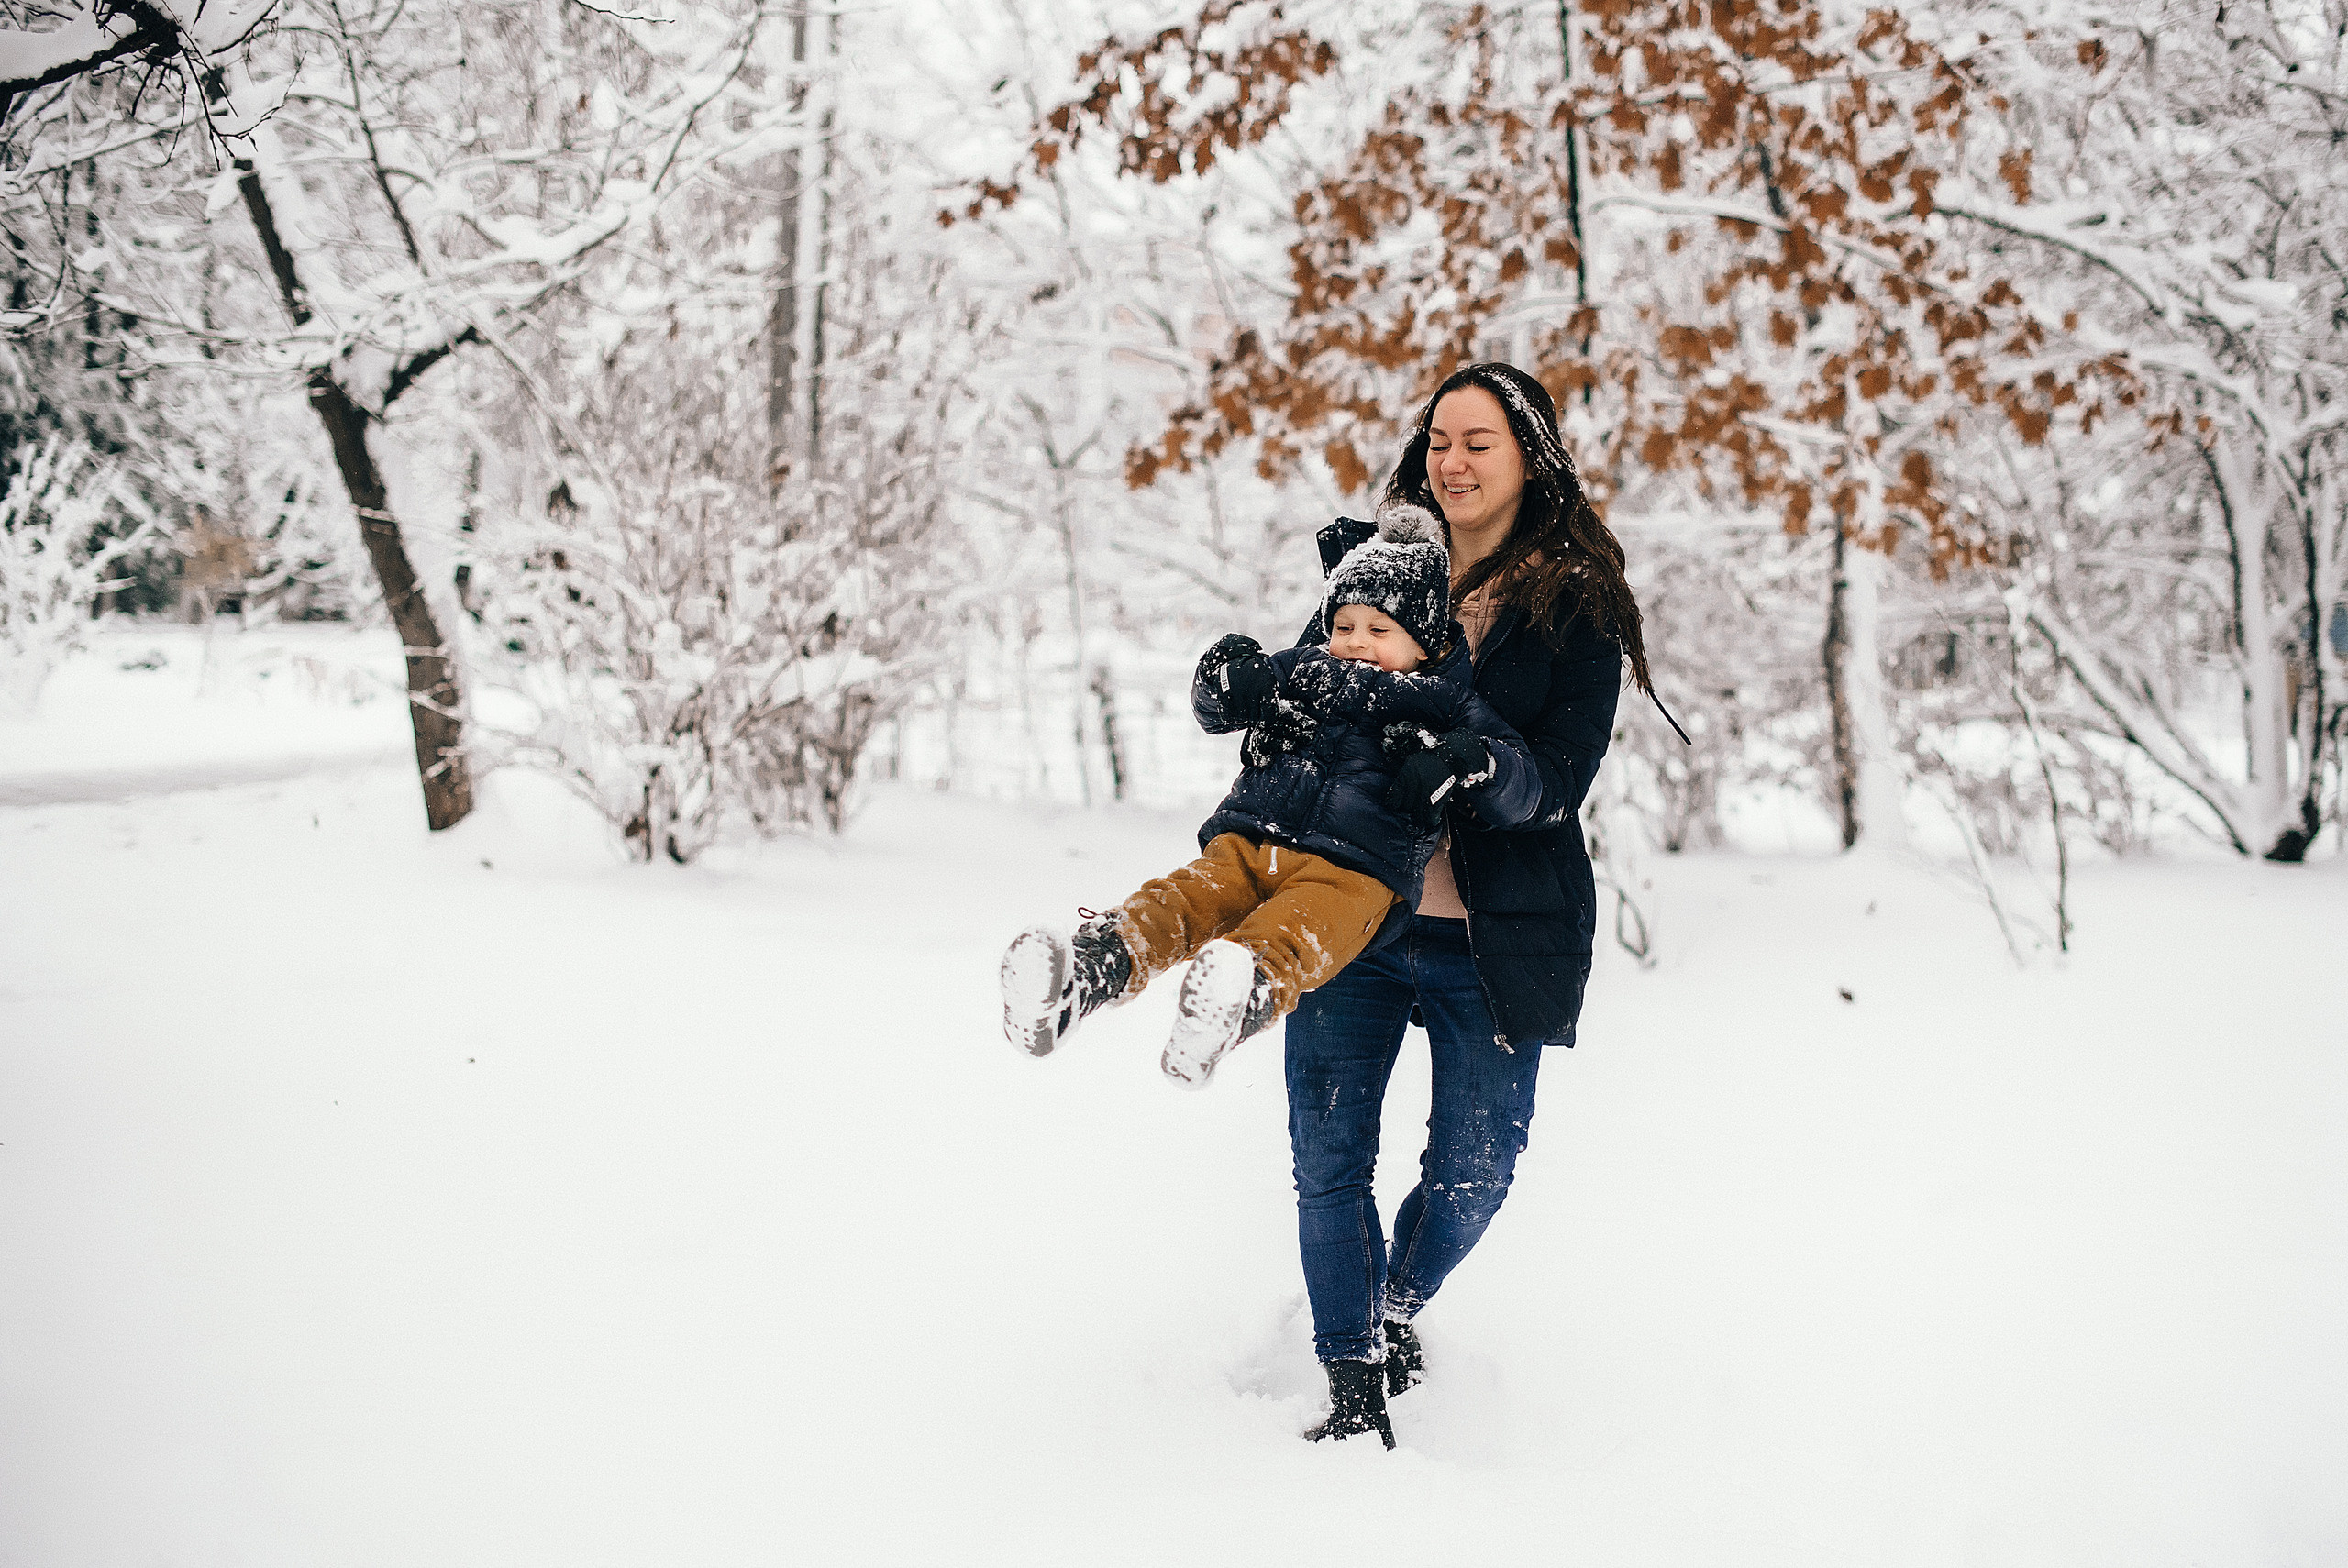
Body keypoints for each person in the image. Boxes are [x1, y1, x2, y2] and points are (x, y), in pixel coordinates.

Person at [1281, 362, 1661, 1450]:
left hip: (1494, 935)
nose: (1450, 462)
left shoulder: (1576, 603)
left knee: (1476, 1169)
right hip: (1353, 915)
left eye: (1477, 442)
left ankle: (1398, 1304)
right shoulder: (1382, 567)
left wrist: (1478, 767)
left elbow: (1560, 773)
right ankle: (1351, 1378)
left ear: (1526, 456)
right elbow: (1316, 700)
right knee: (1327, 1158)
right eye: (1438, 439)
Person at [998, 504, 1540, 1092]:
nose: (1355, 644)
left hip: (1355, 870)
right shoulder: (1305, 670)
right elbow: (1217, 707)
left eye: (1379, 631)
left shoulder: (1445, 703)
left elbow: (1521, 783)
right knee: (1176, 903)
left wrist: (1465, 760)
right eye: (1344, 626)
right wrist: (1227, 676)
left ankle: (1227, 1007)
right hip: (1252, 841)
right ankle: (1081, 978)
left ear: (1426, 640)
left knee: (1291, 935)